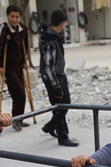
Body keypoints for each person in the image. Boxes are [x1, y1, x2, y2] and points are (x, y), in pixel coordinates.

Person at [38, 10, 79, 147]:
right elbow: (49, 67)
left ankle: (50, 126)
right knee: (60, 106)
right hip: (53, 78)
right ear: (62, 24)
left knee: (65, 103)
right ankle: (63, 136)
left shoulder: (54, 37)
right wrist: (56, 87)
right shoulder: (51, 41)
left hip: (58, 76)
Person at [0, 4, 34, 131]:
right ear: (8, 16)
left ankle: (19, 119)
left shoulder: (23, 29)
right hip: (7, 68)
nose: (14, 20)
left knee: (23, 94)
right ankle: (16, 120)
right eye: (12, 17)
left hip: (18, 66)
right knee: (18, 93)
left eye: (17, 17)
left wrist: (25, 59)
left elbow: (25, 46)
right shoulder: (2, 29)